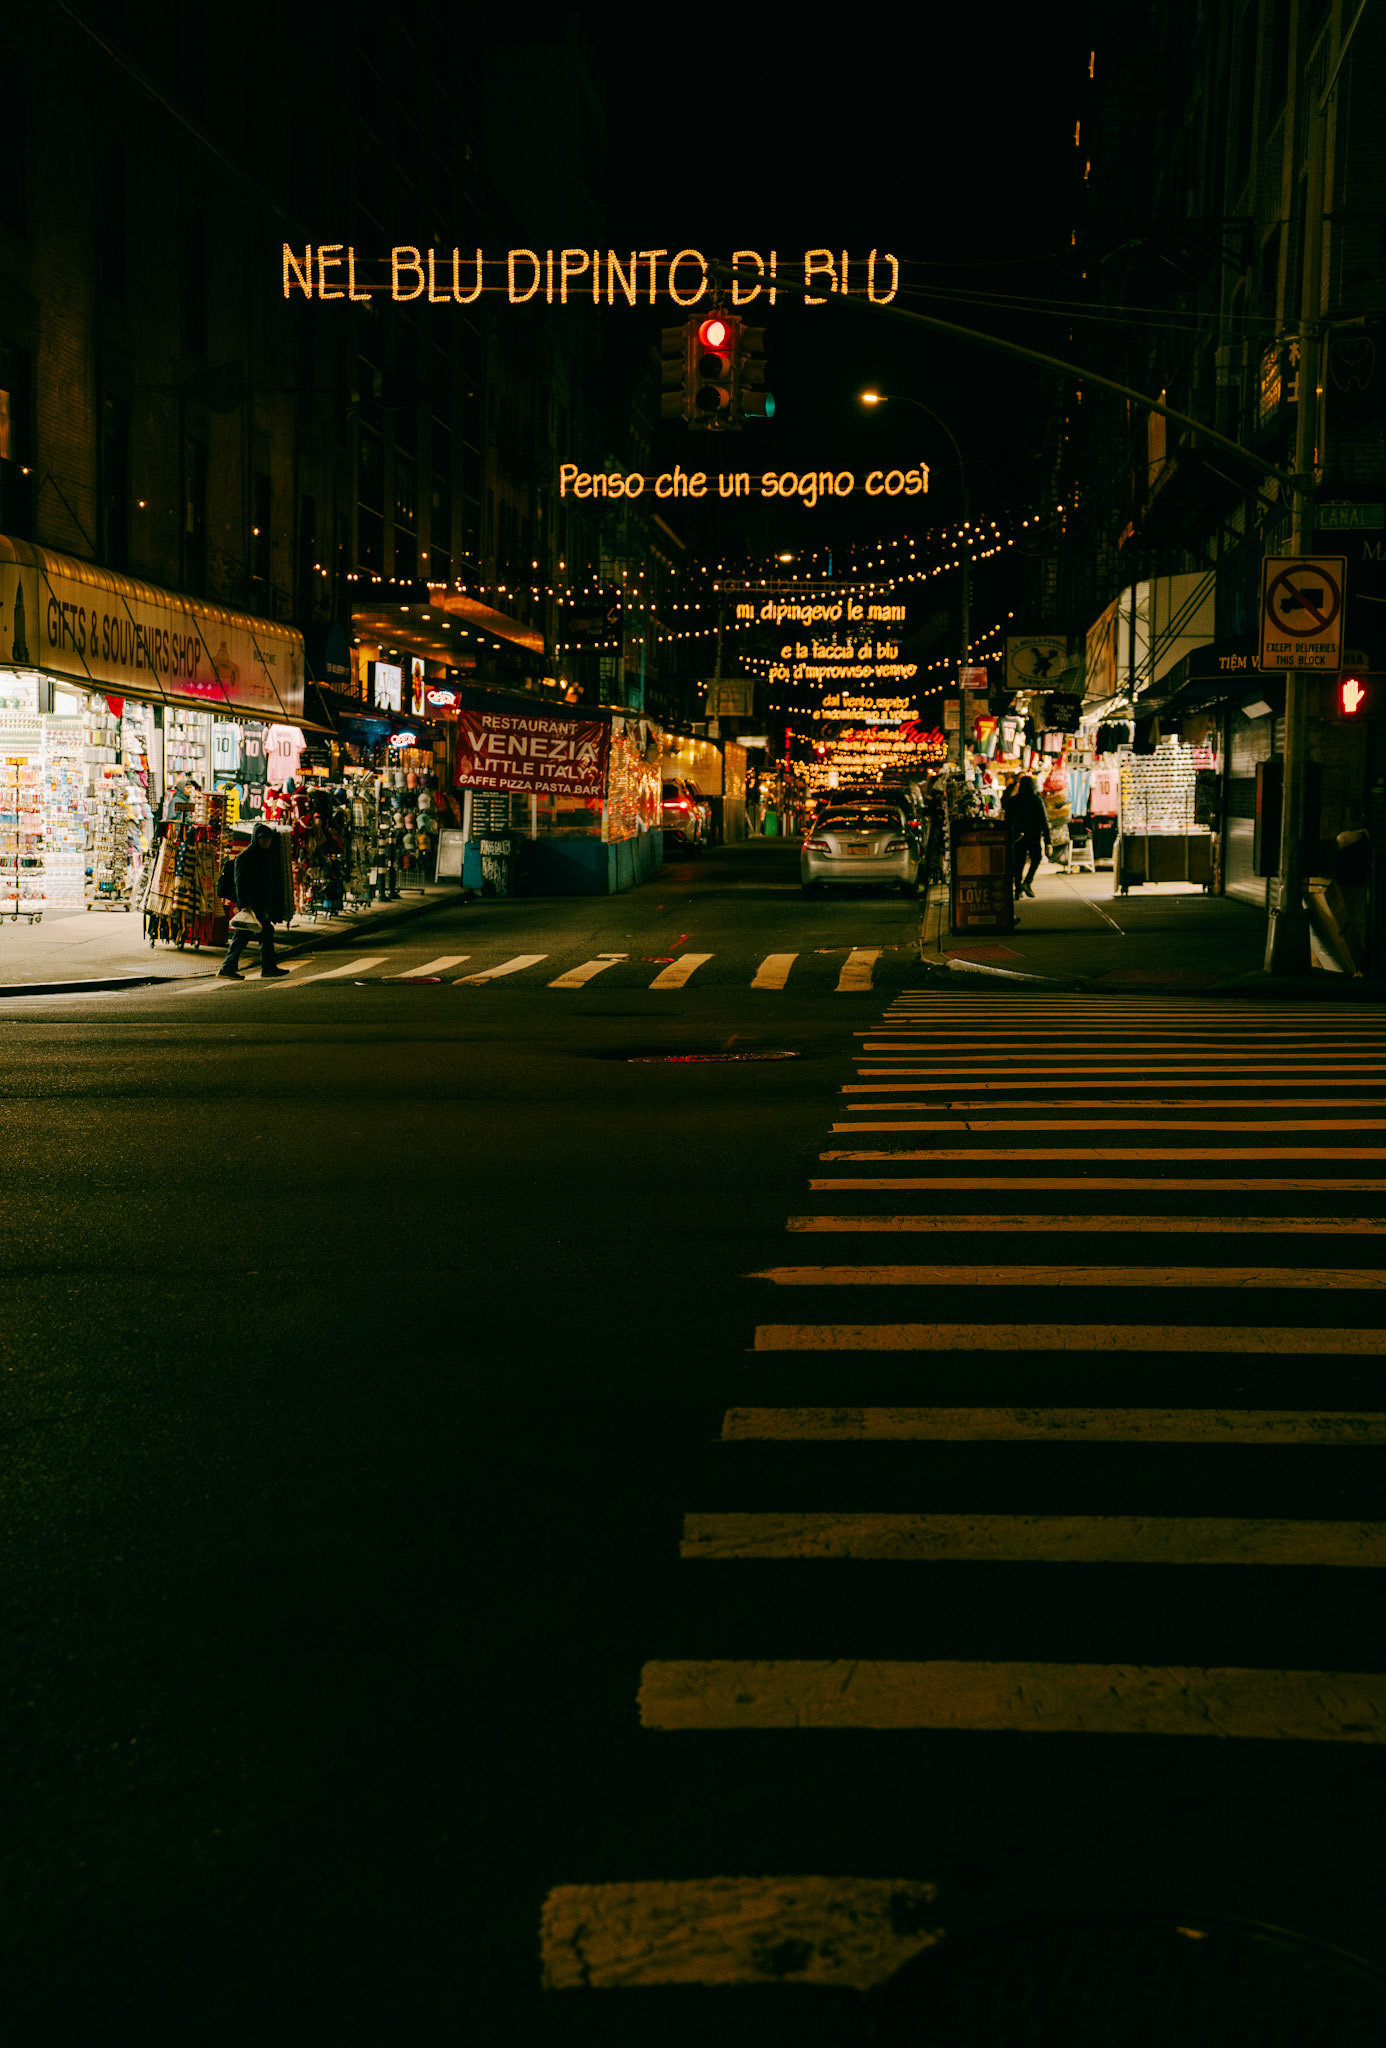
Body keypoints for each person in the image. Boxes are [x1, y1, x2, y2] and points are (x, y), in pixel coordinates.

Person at [218, 823, 289, 978]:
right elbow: (240, 882)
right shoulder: (246, 856)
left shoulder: (265, 855)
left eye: (268, 838)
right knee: (260, 932)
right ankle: (263, 967)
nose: (266, 841)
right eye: (262, 838)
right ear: (256, 838)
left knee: (250, 933)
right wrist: (244, 906)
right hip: (249, 905)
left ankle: (232, 966)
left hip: (256, 904)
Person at [1002, 773, 1051, 899]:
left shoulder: (1013, 801)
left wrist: (1008, 837)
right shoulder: (1036, 800)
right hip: (1033, 835)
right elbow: (1043, 820)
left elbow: (1007, 821)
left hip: (1018, 835)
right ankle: (1027, 882)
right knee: (1036, 858)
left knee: (1019, 863)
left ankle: (1018, 890)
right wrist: (1048, 840)